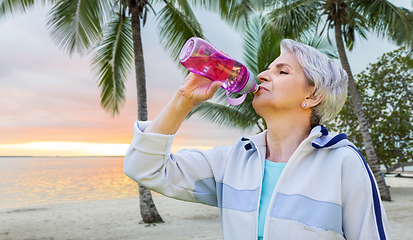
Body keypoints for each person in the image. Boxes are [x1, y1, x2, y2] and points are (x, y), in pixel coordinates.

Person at [123, 39, 392, 240]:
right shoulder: (231, 162)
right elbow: (144, 168)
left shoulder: (343, 163)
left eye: (282, 71)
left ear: (312, 96)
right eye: (267, 69)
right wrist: (183, 100)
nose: (262, 75)